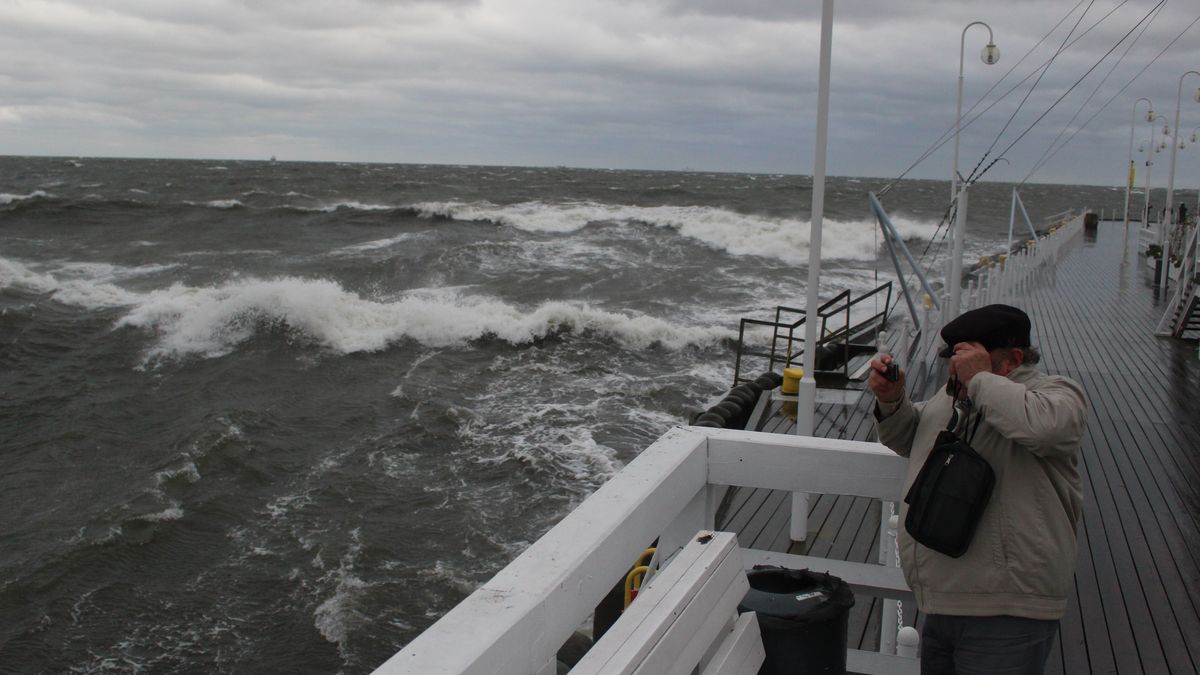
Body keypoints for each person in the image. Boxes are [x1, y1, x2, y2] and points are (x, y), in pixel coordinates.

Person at [867, 304, 1088, 675]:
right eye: (954, 360)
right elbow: (912, 437)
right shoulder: (955, 397)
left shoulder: (1057, 394)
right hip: (942, 600)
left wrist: (980, 380)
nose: (954, 371)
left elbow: (1046, 428)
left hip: (1006, 609)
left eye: (966, 359)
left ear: (1012, 359)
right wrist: (892, 399)